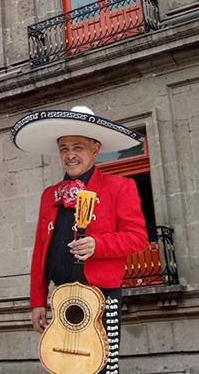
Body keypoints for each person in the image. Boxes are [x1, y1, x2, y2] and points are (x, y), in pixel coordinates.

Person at [12, 106, 149, 374]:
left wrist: (99, 245)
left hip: (101, 295)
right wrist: (37, 300)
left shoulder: (120, 186)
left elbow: (138, 238)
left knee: (101, 368)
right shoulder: (49, 194)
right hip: (61, 297)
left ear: (95, 150)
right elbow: (41, 251)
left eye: (78, 147)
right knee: (63, 367)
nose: (70, 154)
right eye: (64, 148)